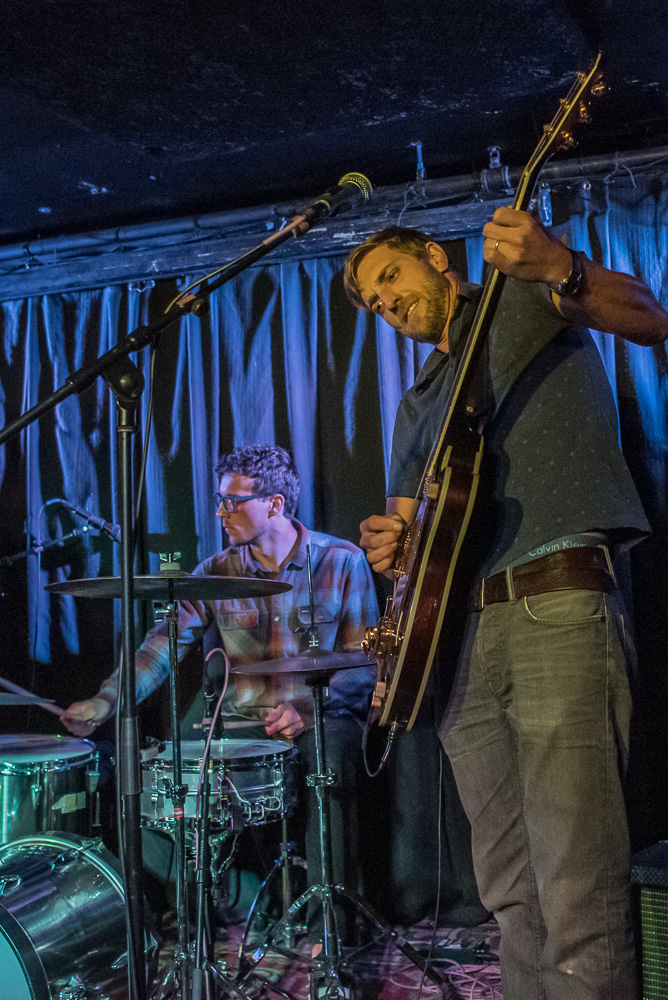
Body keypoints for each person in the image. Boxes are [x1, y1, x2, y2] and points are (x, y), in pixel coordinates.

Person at [343, 210, 668, 1000]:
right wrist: (391, 544)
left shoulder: (516, 297)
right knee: (508, 889)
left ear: (434, 257)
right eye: (376, 304)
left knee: (576, 883)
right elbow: (407, 539)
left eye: (391, 277)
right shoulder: (417, 403)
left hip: (554, 597)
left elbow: (650, 318)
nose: (389, 303)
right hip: (459, 639)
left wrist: (562, 266)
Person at [61, 444, 379, 924]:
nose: (220, 512)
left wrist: (310, 709)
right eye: (219, 499)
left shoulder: (342, 560)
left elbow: (365, 664)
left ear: (273, 504)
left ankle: (328, 926)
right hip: (241, 724)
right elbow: (161, 645)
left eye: (233, 501)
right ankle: (213, 912)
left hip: (321, 718)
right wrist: (106, 701)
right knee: (162, 780)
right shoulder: (214, 572)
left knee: (329, 761)